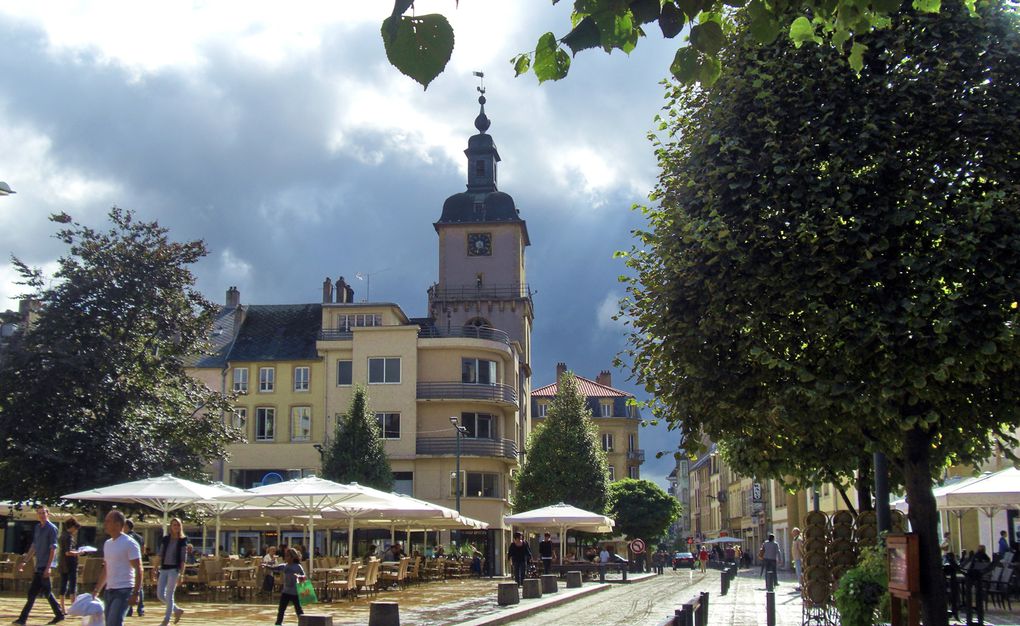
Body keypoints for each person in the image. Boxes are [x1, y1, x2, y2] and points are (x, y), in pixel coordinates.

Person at [14, 505, 66, 625]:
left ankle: (22, 619)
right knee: (45, 592)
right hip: (39, 565)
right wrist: (25, 561)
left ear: (48, 514)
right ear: (37, 515)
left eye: (43, 513)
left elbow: (53, 549)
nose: (42, 515)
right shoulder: (37, 527)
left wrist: (48, 568)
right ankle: (59, 615)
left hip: (45, 565)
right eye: (39, 513)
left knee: (34, 593)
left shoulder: (52, 528)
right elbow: (34, 546)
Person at [93, 510, 143, 626]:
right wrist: (97, 589)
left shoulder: (129, 543)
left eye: (108, 521)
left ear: (118, 524)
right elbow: (106, 568)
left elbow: (139, 569)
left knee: (113, 623)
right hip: (109, 590)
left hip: (124, 590)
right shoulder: (108, 543)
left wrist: (135, 593)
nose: (105, 524)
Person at [156, 517, 187, 626]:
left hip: (174, 569)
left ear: (180, 527)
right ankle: (177, 610)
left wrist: (181, 574)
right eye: (174, 525)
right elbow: (160, 553)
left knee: (169, 595)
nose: (176, 527)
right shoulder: (166, 539)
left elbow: (183, 558)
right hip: (164, 568)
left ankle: (166, 620)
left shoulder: (183, 540)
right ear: (171, 527)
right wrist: (155, 567)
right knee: (160, 594)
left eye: (178, 525)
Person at [269, 548, 305, 626]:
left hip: (295, 592)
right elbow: (275, 568)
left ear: (292, 557)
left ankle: (303, 623)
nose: (285, 557)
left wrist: (299, 577)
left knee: (298, 610)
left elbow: (304, 577)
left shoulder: (298, 566)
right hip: (286, 592)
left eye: (287, 556)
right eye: (285, 556)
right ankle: (278, 623)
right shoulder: (284, 566)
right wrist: (266, 566)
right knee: (281, 610)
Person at [58, 517, 81, 614]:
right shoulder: (69, 537)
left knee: (63, 585)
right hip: (70, 563)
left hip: (62, 563)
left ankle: (62, 608)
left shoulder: (62, 536)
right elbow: (68, 552)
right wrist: (79, 552)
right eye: (75, 528)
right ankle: (74, 607)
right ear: (72, 527)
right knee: (72, 585)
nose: (76, 531)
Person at [124, 520, 145, 617]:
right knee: (139, 586)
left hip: (129, 563)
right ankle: (141, 609)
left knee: (130, 585)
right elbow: (143, 550)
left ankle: (129, 609)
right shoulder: (140, 537)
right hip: (138, 561)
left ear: (127, 527)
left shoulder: (126, 538)